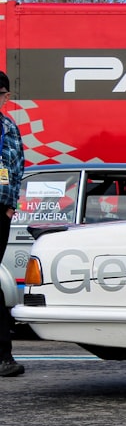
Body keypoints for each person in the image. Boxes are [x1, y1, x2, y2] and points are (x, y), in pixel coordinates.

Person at [0, 71, 25, 377]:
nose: (7, 100)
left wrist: (9, 207)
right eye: (4, 95)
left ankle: (3, 355)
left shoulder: (8, 126)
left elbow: (18, 165)